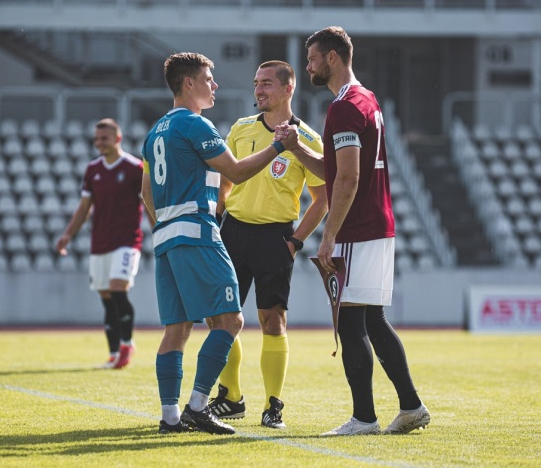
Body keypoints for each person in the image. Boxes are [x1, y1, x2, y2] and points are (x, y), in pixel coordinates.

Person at [276, 26, 431, 436]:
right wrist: (296, 148)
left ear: (331, 58)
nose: (307, 66)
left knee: (350, 324)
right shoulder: (367, 100)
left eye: (311, 58)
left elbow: (345, 179)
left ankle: (364, 417)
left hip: (357, 228)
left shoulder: (344, 107)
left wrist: (328, 234)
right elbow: (335, 168)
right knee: (374, 321)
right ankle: (411, 406)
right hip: (377, 224)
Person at [140, 52, 296, 435]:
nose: (215, 85)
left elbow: (145, 191)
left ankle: (170, 417)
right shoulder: (195, 124)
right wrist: (278, 145)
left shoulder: (155, 130)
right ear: (189, 83)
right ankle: (198, 406)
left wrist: (166, 224)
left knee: (176, 330)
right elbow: (238, 172)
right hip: (197, 231)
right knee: (230, 320)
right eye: (209, 78)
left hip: (166, 238)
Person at [206, 60, 327, 429]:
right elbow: (224, 181)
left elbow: (322, 199)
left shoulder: (307, 139)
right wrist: (216, 218)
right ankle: (231, 397)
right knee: (221, 318)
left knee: (272, 320)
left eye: (268, 84)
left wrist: (295, 241)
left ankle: (274, 405)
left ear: (288, 89)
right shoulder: (241, 129)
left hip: (277, 236)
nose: (259, 90)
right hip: (233, 232)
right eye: (256, 83)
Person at [56, 118, 149, 370]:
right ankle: (112, 352)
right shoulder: (93, 169)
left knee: (118, 288)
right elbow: (85, 207)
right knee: (106, 296)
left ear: (117, 139)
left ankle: (127, 344)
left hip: (127, 241)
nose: (99, 143)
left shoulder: (134, 168)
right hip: (100, 242)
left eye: (104, 139)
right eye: (96, 139)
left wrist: (160, 229)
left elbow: (147, 201)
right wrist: (68, 235)